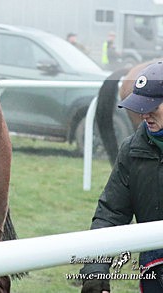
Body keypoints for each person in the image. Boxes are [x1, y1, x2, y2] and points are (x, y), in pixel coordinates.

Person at [80, 60, 163, 293]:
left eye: (153, 106)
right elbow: (110, 214)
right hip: (155, 270)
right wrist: (95, 275)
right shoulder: (132, 149)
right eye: (140, 106)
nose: (143, 114)